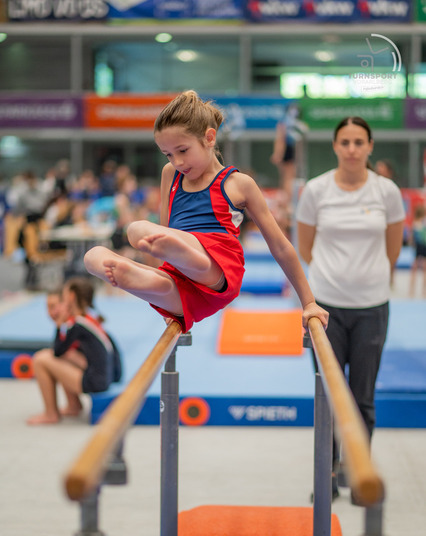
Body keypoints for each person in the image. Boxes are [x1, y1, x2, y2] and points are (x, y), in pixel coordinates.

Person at [83, 90, 328, 336]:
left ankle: (191, 261)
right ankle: (153, 281)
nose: (177, 162)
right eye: (168, 154)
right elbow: (163, 232)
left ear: (209, 138)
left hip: (219, 272)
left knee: (139, 229)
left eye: (182, 150)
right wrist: (165, 285)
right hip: (187, 290)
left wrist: (308, 302)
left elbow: (280, 246)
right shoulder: (170, 174)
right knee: (94, 257)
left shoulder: (238, 184)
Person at [296, 116, 405, 502]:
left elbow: (393, 248)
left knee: (362, 398)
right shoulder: (316, 190)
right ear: (335, 146)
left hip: (371, 307)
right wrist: (331, 281)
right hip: (325, 307)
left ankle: (358, 472)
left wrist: (367, 280)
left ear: (370, 146)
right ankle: (326, 474)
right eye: (345, 142)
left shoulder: (387, 191)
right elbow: (305, 247)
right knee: (327, 394)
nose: (352, 149)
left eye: (359, 142)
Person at [27, 277, 122, 425]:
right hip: (107, 377)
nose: (52, 312)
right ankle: (73, 405)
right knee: (63, 356)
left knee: (40, 359)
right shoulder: (88, 319)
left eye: (56, 305)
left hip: (97, 382)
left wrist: (59, 325)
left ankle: (51, 414)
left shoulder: (77, 324)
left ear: (70, 297)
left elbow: (58, 351)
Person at [270, 103, 308, 214]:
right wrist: (278, 153)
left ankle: (287, 201)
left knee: (288, 177)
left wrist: (278, 153)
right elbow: (280, 139)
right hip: (287, 149)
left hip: (289, 149)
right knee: (288, 177)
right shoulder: (287, 123)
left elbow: (280, 139)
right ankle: (286, 202)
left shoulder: (286, 123)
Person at [409, 204, 426, 297]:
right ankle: (423, 289)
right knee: (424, 268)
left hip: (418, 247)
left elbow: (411, 237)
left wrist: (411, 244)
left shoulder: (415, 222)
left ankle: (412, 289)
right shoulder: (423, 222)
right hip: (423, 247)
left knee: (415, 267)